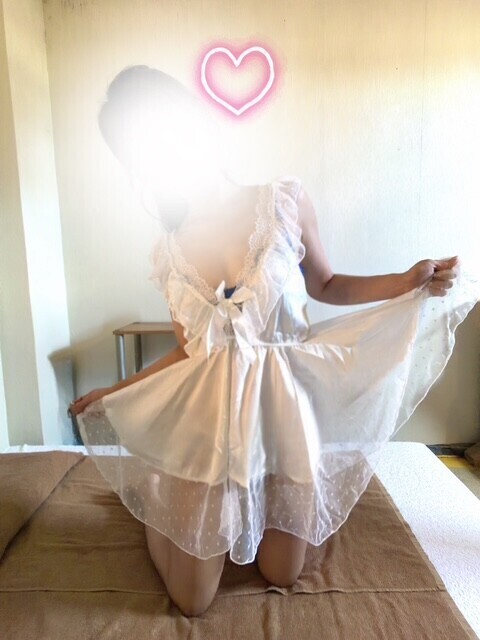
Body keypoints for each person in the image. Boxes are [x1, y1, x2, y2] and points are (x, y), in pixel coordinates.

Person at [71, 65, 480, 617]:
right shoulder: (167, 251)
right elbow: (191, 352)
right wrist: (116, 392)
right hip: (206, 430)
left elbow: (327, 284)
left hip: (286, 420)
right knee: (192, 600)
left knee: (281, 572)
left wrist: (406, 281)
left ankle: (245, 501)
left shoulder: (283, 201)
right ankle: (157, 497)